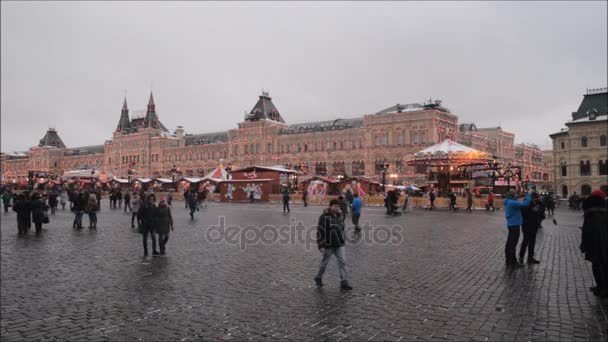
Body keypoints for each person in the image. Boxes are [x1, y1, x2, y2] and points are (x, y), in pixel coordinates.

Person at [314, 199, 352, 290]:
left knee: (343, 262)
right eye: (335, 206)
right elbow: (319, 231)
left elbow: (341, 228)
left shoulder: (340, 216)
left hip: (339, 243)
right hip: (328, 244)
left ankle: (344, 282)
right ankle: (318, 277)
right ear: (330, 206)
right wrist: (320, 245)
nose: (337, 208)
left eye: (338, 206)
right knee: (324, 263)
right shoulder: (324, 217)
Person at [580, 190, 608, 297]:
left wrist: (584, 244)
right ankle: (601, 286)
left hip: (596, 243)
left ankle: (603, 288)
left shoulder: (592, 212)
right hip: (601, 243)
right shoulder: (602, 210)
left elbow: (589, 230)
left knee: (598, 266)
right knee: (602, 266)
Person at [503, 189, 532, 267]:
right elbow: (525, 204)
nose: (517, 195)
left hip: (511, 224)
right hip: (515, 225)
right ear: (513, 195)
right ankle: (513, 262)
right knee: (513, 244)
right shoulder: (512, 203)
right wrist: (529, 195)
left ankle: (508, 259)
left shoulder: (508, 201)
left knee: (509, 243)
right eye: (515, 194)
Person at [519, 192, 544, 265]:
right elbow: (525, 213)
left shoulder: (535, 204)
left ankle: (530, 257)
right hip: (527, 225)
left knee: (532, 242)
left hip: (533, 225)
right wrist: (533, 210)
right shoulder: (526, 204)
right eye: (536, 198)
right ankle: (521, 258)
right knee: (525, 242)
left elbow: (540, 211)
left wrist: (538, 205)